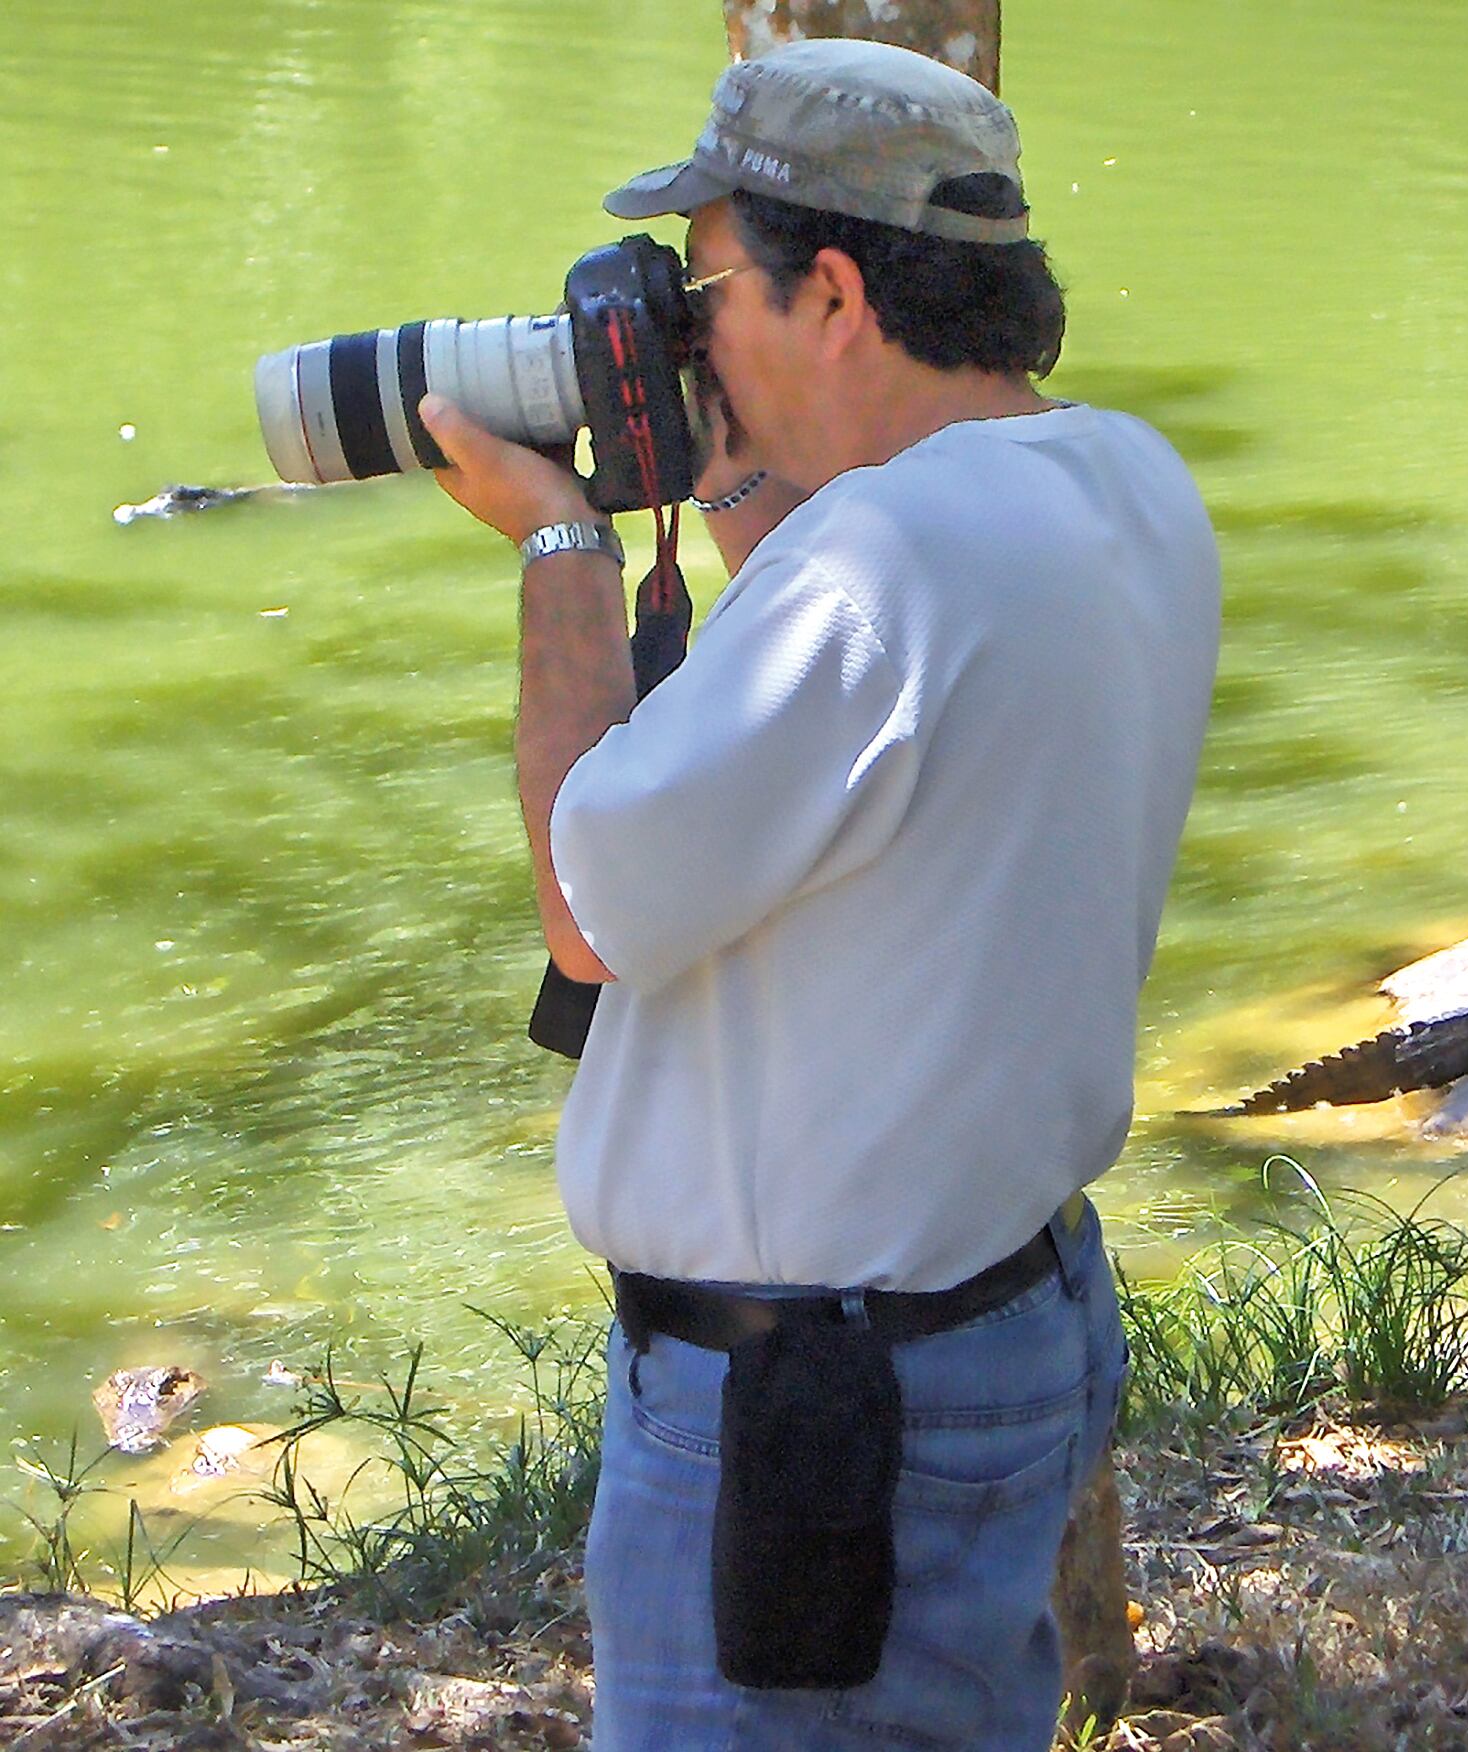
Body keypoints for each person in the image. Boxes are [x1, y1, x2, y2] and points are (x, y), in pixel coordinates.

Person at [416, 38, 1220, 1751]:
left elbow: (587, 906)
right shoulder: (1118, 483)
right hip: (1000, 1323)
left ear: (834, 291)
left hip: (814, 1414)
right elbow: (847, 686)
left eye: (705, 295)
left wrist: (563, 550)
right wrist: (707, 465)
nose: (692, 334)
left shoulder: (883, 570)